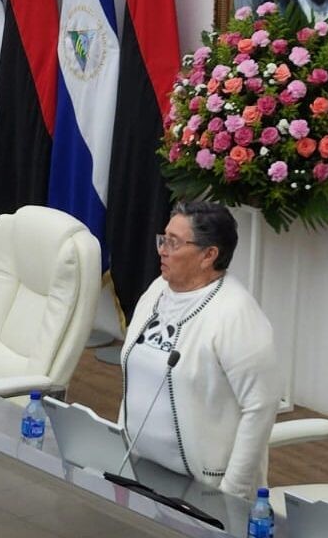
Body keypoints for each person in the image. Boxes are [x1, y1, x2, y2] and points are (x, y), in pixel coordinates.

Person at [119, 201, 281, 501]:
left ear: (209, 255)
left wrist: (230, 495)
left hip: (203, 489)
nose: (162, 250)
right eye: (163, 239)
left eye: (174, 242)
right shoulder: (157, 290)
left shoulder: (236, 313)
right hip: (143, 469)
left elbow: (261, 407)